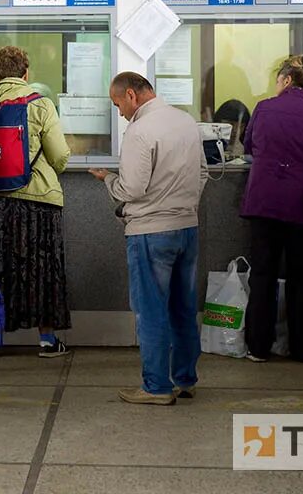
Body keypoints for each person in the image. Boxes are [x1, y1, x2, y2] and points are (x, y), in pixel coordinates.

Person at [89, 73, 206, 406]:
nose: (121, 114)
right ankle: (185, 380)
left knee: (151, 310)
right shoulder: (186, 122)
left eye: (118, 105)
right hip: (187, 227)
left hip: (149, 233)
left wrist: (108, 180)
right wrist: (183, 204)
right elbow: (203, 172)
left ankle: (156, 387)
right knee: (183, 307)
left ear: (131, 95)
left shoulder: (140, 131)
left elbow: (133, 189)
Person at [241, 55, 303, 363]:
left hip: (265, 203)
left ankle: (258, 347)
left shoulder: (264, 108)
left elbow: (248, 148)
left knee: (263, 275)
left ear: (286, 80)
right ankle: (301, 349)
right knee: (302, 278)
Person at [0, 46, 72, 357]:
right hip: (39, 200)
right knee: (42, 269)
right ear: (26, 73)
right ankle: (47, 340)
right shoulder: (41, 104)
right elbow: (59, 156)